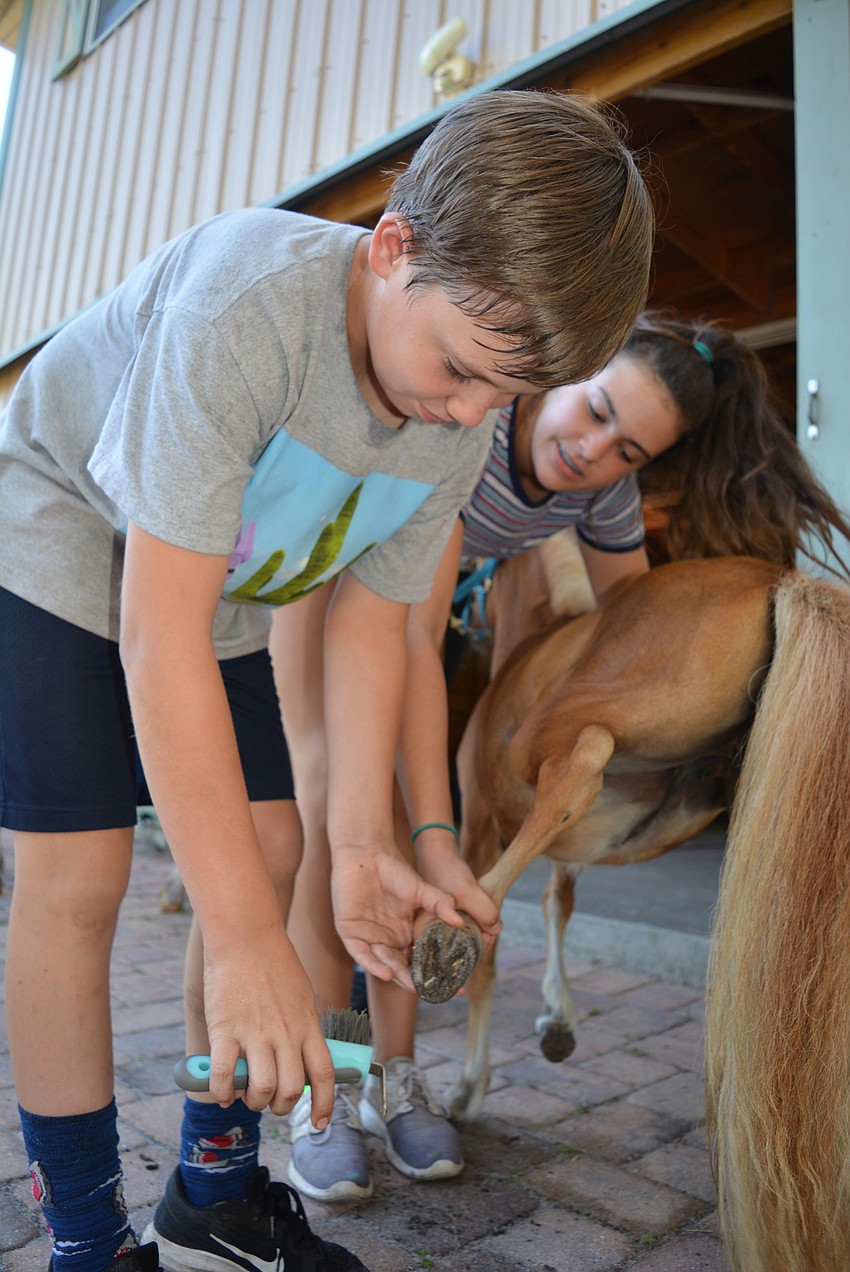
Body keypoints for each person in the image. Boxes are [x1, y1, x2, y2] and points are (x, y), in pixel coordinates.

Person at [0, 88, 654, 1272]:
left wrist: (367, 844)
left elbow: (371, 625)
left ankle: (210, 1193)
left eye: (498, 399)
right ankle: (87, 1243)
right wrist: (249, 945)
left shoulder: (458, 396)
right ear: (395, 244)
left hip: (232, 585)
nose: (466, 415)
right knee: (81, 878)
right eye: (458, 370)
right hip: (56, 538)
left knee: (277, 849)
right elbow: (158, 634)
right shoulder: (250, 304)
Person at [272, 308, 850, 1202]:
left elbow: (623, 634)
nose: (593, 450)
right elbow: (416, 645)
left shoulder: (599, 500)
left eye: (627, 451)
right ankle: (328, 1089)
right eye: (596, 409)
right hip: (330, 585)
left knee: (393, 840)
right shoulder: (479, 430)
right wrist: (436, 827)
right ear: (570, 375)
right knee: (333, 818)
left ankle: (393, 1073)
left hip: (402, 610)